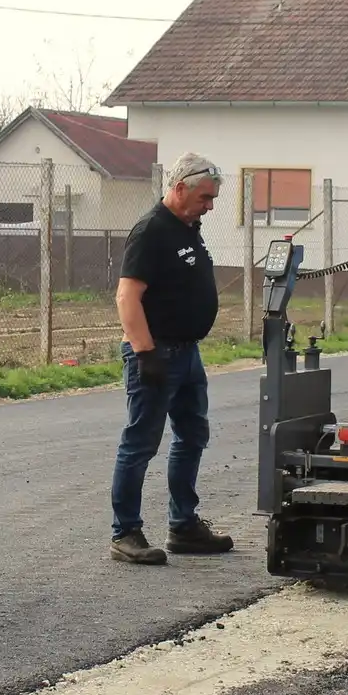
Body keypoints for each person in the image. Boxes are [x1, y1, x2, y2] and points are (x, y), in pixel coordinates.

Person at [107, 152, 234, 565]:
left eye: (213, 199)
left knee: (192, 435)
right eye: (204, 198)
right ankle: (125, 533)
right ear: (179, 188)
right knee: (140, 443)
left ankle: (184, 526)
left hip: (188, 353)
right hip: (157, 353)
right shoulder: (152, 231)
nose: (210, 206)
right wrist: (145, 353)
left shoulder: (188, 228)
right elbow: (127, 297)